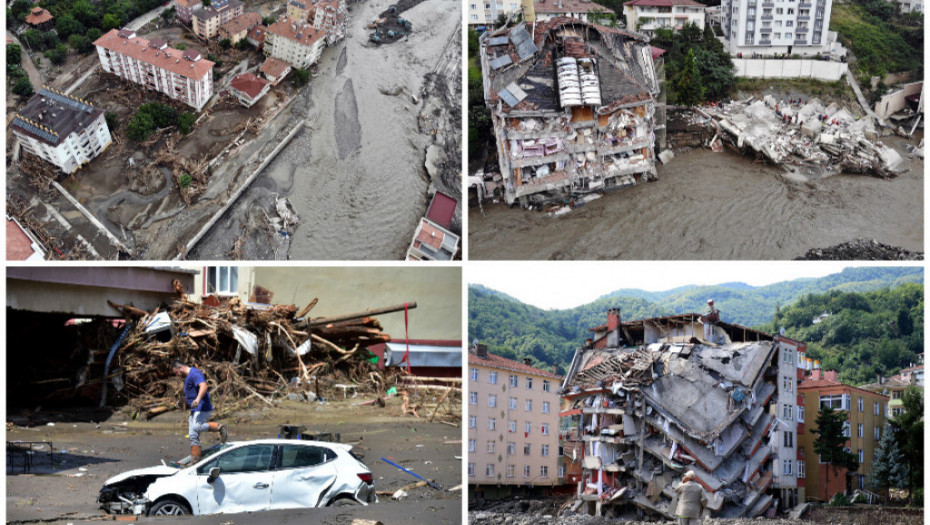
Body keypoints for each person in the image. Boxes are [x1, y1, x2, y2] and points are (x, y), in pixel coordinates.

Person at [172, 360, 227, 462]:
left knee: (196, 427)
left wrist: (197, 399)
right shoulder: (188, 377)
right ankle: (195, 460)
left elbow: (203, 386)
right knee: (192, 434)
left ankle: (219, 427)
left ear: (181, 368)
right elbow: (191, 394)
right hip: (195, 409)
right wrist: (182, 401)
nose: (177, 376)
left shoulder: (194, 373)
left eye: (177, 373)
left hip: (202, 407)